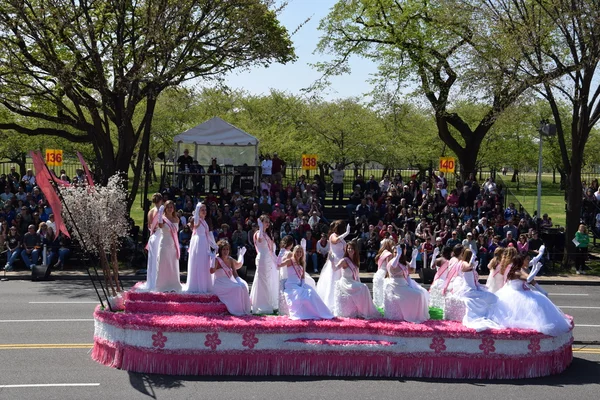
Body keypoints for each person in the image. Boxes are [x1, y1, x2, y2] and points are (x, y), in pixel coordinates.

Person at [492, 255, 571, 336]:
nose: (527, 262)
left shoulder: (518, 270)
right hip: (516, 294)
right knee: (521, 311)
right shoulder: (517, 272)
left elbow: (529, 279)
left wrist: (534, 268)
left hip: (521, 291)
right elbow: (529, 279)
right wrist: (536, 269)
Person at [447, 248, 502, 331]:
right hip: (469, 290)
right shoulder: (464, 263)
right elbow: (467, 267)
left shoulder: (466, 263)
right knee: (491, 297)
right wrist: (472, 261)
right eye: (473, 255)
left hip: (473, 288)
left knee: (492, 296)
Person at [281, 245, 333, 320]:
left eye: (300, 252)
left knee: (311, 293)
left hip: (300, 284)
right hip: (291, 285)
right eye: (297, 251)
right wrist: (281, 255)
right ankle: (306, 314)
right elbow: (279, 265)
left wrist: (302, 285)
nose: (299, 253)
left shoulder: (302, 262)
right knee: (304, 295)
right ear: (294, 252)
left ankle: (320, 313)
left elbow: (302, 277)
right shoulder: (290, 261)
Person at [383, 244, 430, 323]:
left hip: (403, 285)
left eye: (399, 252)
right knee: (418, 295)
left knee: (421, 293)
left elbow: (412, 270)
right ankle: (412, 315)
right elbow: (393, 266)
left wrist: (414, 258)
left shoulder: (403, 262)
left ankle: (416, 315)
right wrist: (398, 255)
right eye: (395, 252)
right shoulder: (392, 261)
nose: (396, 253)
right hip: (396, 286)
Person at [334, 241, 380, 319]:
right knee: (364, 287)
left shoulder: (355, 261)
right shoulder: (344, 260)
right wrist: (331, 261)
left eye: (352, 248)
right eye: (348, 248)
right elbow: (335, 268)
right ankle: (364, 311)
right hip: (346, 283)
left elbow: (356, 276)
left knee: (363, 287)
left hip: (353, 282)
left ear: (355, 250)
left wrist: (359, 283)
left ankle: (364, 311)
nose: (350, 250)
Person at [210, 240, 251, 316]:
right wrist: (212, 261)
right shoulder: (216, 259)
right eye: (224, 249)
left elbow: (235, 272)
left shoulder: (230, 259)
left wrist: (239, 280)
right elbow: (211, 271)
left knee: (243, 286)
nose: (226, 251)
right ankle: (237, 311)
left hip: (229, 280)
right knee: (237, 288)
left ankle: (244, 309)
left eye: (227, 249)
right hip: (220, 283)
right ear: (220, 250)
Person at [316, 220, 350, 310]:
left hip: (342, 261)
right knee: (333, 281)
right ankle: (330, 303)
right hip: (334, 261)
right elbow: (335, 241)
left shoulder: (342, 239)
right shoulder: (333, 236)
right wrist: (346, 233)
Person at [185, 202, 218, 293]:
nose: (204, 211)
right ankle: (198, 285)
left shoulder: (204, 221)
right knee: (199, 263)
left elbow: (208, 234)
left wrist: (214, 245)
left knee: (204, 263)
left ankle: (204, 284)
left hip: (204, 243)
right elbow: (194, 222)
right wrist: (196, 211)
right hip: (199, 243)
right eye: (202, 210)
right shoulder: (197, 220)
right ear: (198, 211)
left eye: (205, 210)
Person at [250, 215, 278, 314]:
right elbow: (260, 240)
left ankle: (265, 302)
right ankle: (262, 305)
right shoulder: (259, 233)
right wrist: (261, 228)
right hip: (262, 259)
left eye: (268, 222)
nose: (267, 223)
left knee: (266, 280)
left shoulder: (266, 234)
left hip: (268, 259)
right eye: (265, 222)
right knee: (262, 281)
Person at [155, 200, 182, 292]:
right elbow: (160, 226)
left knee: (172, 265)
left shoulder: (176, 219)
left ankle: (173, 285)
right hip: (164, 244)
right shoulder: (162, 218)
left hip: (173, 245)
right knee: (164, 264)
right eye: (168, 207)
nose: (170, 209)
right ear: (165, 209)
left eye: (171, 207)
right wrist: (159, 215)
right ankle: (163, 286)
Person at [141, 194, 163, 291]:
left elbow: (149, 226)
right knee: (159, 259)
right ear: (161, 200)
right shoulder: (161, 211)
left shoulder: (150, 211)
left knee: (153, 260)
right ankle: (158, 282)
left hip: (153, 237)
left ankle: (152, 281)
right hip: (159, 236)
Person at [373, 238, 394, 309]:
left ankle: (378, 304)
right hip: (384, 274)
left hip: (378, 273)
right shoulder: (389, 254)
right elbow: (389, 266)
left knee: (378, 289)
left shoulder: (382, 252)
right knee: (383, 290)